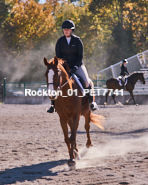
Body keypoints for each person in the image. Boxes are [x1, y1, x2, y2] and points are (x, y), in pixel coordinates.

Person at [47, 20, 98, 113]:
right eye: (64, 29)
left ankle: (91, 102)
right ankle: (53, 105)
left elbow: (80, 56)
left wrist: (75, 67)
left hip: (77, 65)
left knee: (86, 82)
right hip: (64, 67)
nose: (66, 30)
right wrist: (63, 67)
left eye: (68, 29)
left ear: (72, 30)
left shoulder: (77, 41)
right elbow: (58, 56)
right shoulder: (60, 41)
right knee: (55, 81)